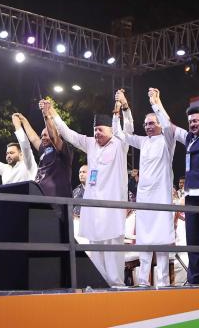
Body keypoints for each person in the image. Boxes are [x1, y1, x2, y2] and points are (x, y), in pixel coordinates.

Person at [45, 90, 132, 287]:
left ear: (111, 129)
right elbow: (68, 134)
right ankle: (99, 284)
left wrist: (125, 107)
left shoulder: (120, 144)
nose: (96, 134)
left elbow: (129, 127)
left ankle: (116, 285)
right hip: (93, 208)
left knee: (112, 249)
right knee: (95, 248)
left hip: (112, 208)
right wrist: (53, 114)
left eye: (100, 130)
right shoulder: (91, 144)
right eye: (95, 130)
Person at [152, 93, 199, 285]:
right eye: (190, 121)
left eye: (196, 120)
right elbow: (169, 126)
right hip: (191, 198)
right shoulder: (190, 139)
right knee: (193, 242)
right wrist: (157, 103)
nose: (192, 124)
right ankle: (194, 280)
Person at [112, 88, 176, 287]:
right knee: (145, 242)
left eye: (152, 123)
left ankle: (164, 284)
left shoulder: (167, 141)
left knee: (163, 243)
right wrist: (123, 108)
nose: (148, 127)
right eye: (146, 124)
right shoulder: (142, 141)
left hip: (162, 198)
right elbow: (118, 133)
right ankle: (143, 284)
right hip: (145, 200)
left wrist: (155, 103)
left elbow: (167, 124)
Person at [16, 111, 73, 198]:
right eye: (42, 136)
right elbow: (34, 138)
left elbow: (53, 136)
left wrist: (46, 116)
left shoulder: (63, 149)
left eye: (46, 135)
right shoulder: (44, 149)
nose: (43, 138)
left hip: (57, 200)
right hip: (40, 197)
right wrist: (24, 120)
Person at [0, 114, 38, 185]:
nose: (8, 155)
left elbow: (25, 147)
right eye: (7, 153)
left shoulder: (28, 165)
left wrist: (18, 126)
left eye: (11, 153)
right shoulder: (6, 169)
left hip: (26, 195)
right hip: (8, 196)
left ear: (21, 154)